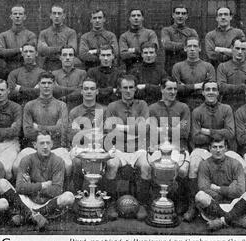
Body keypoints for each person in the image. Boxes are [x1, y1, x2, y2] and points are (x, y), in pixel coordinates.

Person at [184, 81, 246, 221]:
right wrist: (219, 133)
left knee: (243, 165)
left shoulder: (226, 109)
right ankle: (193, 205)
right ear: (203, 92)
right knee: (194, 164)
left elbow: (230, 133)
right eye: (208, 89)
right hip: (203, 149)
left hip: (224, 148)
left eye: (214, 89)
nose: (211, 92)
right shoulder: (197, 111)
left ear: (218, 92)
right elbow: (196, 137)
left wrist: (207, 131)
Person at [104, 75, 150, 220]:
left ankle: (142, 204)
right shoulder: (112, 106)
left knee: (146, 166)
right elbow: (109, 129)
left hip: (138, 149)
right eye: (125, 87)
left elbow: (144, 129)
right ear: (119, 89)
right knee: (111, 164)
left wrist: (120, 127)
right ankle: (111, 204)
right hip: (118, 148)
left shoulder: (142, 105)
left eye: (131, 87)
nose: (128, 90)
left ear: (136, 89)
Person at [13, 72, 71, 179]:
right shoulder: (29, 105)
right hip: (33, 148)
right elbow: (28, 132)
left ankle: (63, 192)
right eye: (43, 83)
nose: (46, 86)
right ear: (38, 84)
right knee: (17, 166)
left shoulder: (61, 105)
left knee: (68, 165)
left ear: (54, 85)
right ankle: (27, 193)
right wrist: (53, 129)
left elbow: (61, 129)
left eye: (49, 83)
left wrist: (39, 127)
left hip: (55, 147)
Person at [194, 135, 246, 231]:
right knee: (200, 196)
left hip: (235, 205)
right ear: (210, 149)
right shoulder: (204, 164)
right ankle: (233, 220)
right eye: (215, 147)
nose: (218, 150)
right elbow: (203, 188)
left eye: (221, 147)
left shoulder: (235, 163)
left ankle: (221, 221)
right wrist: (229, 190)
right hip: (214, 206)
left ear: (226, 148)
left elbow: (240, 190)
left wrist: (218, 189)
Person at [15, 131, 75, 231]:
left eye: (48, 143)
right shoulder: (26, 160)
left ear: (52, 144)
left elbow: (57, 190)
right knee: (2, 184)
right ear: (35, 145)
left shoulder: (58, 161)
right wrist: (42, 185)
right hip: (28, 200)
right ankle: (34, 215)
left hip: (47, 202)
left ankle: (29, 215)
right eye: (42, 143)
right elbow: (20, 187)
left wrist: (31, 187)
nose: (45, 146)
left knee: (69, 197)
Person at [148, 77, 191, 214]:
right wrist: (173, 129)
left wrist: (162, 128)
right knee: (151, 167)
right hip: (158, 147)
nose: (173, 92)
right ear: (162, 89)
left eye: (175, 89)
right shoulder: (152, 108)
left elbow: (184, 132)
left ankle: (180, 201)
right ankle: (155, 201)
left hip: (179, 147)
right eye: (169, 88)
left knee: (182, 170)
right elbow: (152, 132)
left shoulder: (183, 108)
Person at [69, 78, 106, 192]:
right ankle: (77, 194)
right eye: (86, 89)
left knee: (106, 161)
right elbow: (72, 136)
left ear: (97, 91)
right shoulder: (75, 112)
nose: (89, 91)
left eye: (92, 89)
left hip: (99, 147)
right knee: (77, 161)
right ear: (81, 91)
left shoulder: (103, 110)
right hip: (80, 147)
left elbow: (108, 133)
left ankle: (100, 195)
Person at [217, 37, 246, 112]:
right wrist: (243, 87)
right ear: (232, 48)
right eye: (237, 48)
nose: (240, 52)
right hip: (227, 109)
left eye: (243, 49)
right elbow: (221, 87)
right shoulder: (223, 67)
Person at [172, 37, 215, 111]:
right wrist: (197, 86)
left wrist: (185, 87)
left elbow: (210, 89)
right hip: (182, 106)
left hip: (203, 106)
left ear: (200, 48)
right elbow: (176, 88)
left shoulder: (208, 67)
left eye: (195, 46)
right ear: (185, 48)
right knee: (183, 123)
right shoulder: (177, 67)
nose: (192, 49)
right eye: (189, 46)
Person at [0, 4, 37, 73]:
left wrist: (10, 52)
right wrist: (20, 50)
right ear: (11, 17)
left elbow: (30, 53)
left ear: (24, 17)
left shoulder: (30, 35)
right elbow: (0, 52)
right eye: (15, 14)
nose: (17, 16)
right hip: (8, 70)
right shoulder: (3, 35)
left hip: (26, 70)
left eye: (20, 14)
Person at [38, 5, 78, 72]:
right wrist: (61, 48)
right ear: (50, 16)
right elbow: (41, 50)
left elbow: (72, 49)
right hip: (48, 65)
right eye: (54, 13)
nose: (56, 16)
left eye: (59, 13)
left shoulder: (71, 32)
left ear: (64, 16)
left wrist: (50, 50)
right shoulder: (44, 33)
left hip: (64, 66)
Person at [161, 5, 198, 74]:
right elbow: (167, 45)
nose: (180, 16)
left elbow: (195, 47)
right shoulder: (166, 30)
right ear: (173, 15)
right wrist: (186, 45)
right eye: (177, 13)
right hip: (171, 65)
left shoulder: (192, 32)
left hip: (188, 66)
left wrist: (175, 46)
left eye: (183, 14)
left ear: (186, 16)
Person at [7, 42, 45, 107]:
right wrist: (33, 91)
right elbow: (10, 94)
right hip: (18, 107)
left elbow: (42, 93)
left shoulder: (43, 74)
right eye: (25, 51)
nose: (28, 54)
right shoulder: (14, 73)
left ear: (36, 53)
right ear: (22, 53)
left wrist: (20, 89)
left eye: (31, 51)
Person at [52, 46, 87, 111]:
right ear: (60, 57)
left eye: (70, 55)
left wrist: (60, 88)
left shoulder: (82, 73)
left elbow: (81, 92)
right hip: (58, 109)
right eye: (64, 55)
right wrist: (75, 88)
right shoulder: (54, 74)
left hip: (77, 108)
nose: (67, 58)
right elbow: (54, 91)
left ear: (74, 57)